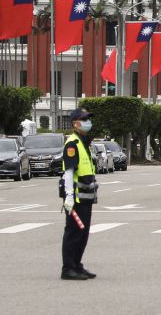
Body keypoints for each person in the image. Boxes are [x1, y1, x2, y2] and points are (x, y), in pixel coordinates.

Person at [60, 107, 100, 280]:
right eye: (84, 120)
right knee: (74, 233)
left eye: (88, 119)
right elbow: (68, 171)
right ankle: (68, 268)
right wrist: (68, 196)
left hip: (86, 196)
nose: (87, 122)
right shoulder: (72, 143)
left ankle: (77, 264)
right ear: (75, 123)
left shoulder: (84, 142)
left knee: (83, 233)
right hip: (75, 196)